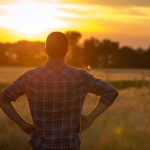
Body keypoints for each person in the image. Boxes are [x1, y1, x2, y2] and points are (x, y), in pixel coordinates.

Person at [0, 32, 118, 150]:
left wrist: (22, 124)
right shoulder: (81, 77)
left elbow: (3, 98)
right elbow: (111, 92)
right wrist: (90, 118)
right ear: (67, 50)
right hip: (70, 146)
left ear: (46, 50)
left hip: (40, 146)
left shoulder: (30, 77)